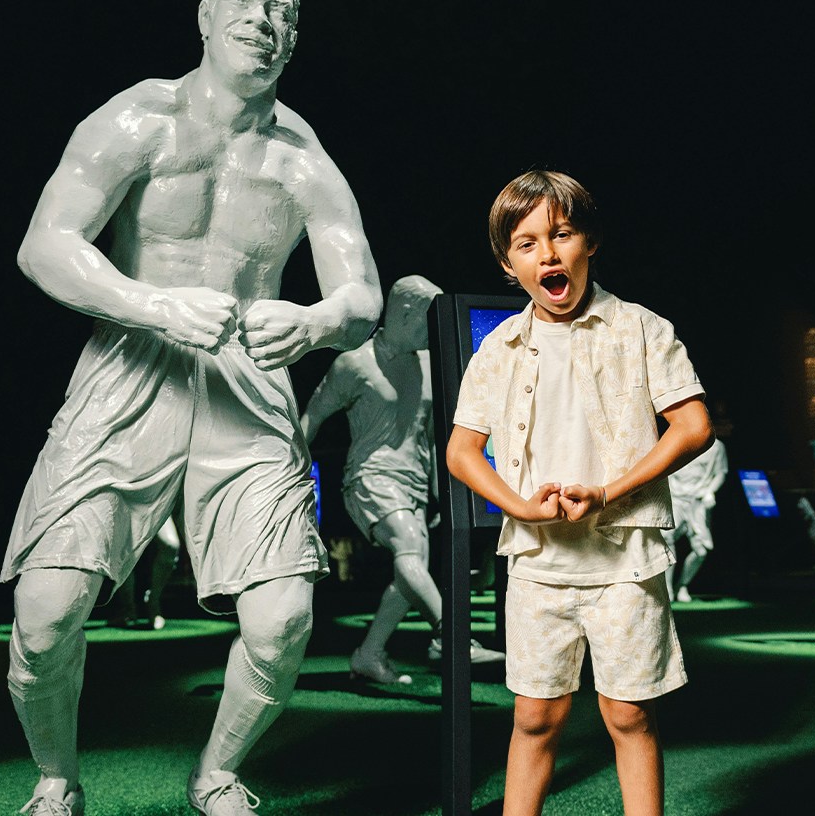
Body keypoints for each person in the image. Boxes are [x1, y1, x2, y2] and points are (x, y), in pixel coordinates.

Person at [0, 0, 382, 816]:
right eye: (243, 3)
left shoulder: (303, 160)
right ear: (205, 17)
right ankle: (56, 777)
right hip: (133, 369)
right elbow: (45, 244)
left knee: (283, 623)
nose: (261, 21)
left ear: (295, 37)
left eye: (279, 11)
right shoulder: (140, 119)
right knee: (47, 612)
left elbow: (361, 292)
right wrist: (152, 304)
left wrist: (318, 321)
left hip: (248, 389)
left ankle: (217, 772)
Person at [445, 170, 713, 816]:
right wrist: (518, 505)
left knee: (628, 714)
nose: (549, 254)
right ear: (508, 263)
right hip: (538, 561)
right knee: (534, 716)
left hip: (625, 558)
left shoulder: (643, 328)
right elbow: (460, 450)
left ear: (589, 240)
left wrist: (609, 491)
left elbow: (694, 425)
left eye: (562, 234)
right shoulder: (498, 348)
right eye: (528, 243)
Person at [300, 275, 505, 685]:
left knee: (409, 571)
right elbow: (313, 418)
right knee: (410, 552)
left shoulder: (430, 366)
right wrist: (290, 477)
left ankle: (369, 654)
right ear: (407, 313)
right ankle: (452, 635)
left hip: (413, 484)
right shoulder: (354, 363)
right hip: (370, 477)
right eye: (429, 318)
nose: (435, 330)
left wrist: (436, 495)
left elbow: (429, 436)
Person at [662, 429, 728, 603]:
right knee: (665, 539)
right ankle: (667, 588)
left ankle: (682, 585)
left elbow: (721, 473)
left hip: (698, 500)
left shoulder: (716, 447)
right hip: (676, 499)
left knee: (702, 549)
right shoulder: (674, 441)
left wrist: (710, 492)